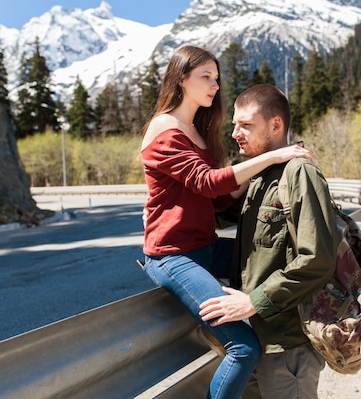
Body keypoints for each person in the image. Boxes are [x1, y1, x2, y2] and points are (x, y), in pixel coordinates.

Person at [139, 46, 311, 399]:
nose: (215, 85)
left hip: (205, 246)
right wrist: (271, 156)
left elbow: (218, 199)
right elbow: (207, 182)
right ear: (181, 79)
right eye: (205, 76)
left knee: (277, 258)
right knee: (244, 348)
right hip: (174, 256)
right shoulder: (164, 128)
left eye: (217, 78)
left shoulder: (198, 131)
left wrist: (267, 167)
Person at [199, 84, 340, 399]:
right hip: (253, 340)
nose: (236, 133)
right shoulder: (260, 177)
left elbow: (316, 259)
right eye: (235, 124)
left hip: (287, 343)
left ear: (276, 125)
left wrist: (252, 302)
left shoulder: (299, 173)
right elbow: (215, 214)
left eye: (246, 125)